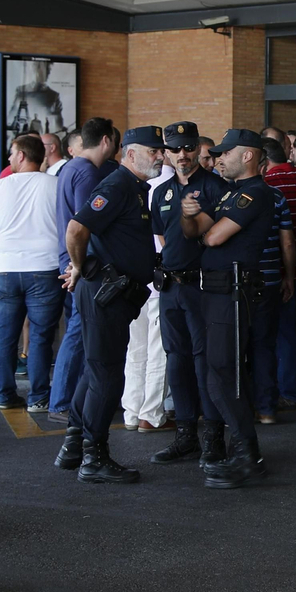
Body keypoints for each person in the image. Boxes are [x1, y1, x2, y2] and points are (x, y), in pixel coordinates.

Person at [57, 126, 166, 485]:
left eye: (159, 151)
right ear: (130, 153)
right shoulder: (117, 185)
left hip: (117, 293)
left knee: (96, 369)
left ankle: (75, 446)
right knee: (106, 374)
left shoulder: (133, 188)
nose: (160, 157)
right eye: (153, 151)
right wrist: (77, 265)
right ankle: (94, 456)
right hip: (107, 292)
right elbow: (77, 228)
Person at [179, 129, 284, 488]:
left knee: (226, 374)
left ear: (250, 156)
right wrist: (188, 213)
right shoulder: (231, 193)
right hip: (215, 292)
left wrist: (200, 225)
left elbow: (213, 236)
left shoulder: (255, 193)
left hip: (234, 293)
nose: (219, 159)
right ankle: (241, 448)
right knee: (216, 373)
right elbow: (194, 230)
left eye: (227, 153)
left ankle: (247, 455)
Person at [148, 122, 227, 466]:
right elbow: (163, 239)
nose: (183, 155)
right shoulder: (161, 192)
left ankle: (213, 438)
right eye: (176, 148)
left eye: (189, 147)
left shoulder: (216, 187)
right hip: (171, 287)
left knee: (205, 363)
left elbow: (206, 234)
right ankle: (185, 436)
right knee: (176, 361)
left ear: (198, 149)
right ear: (167, 152)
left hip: (203, 287)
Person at [0, 134, 61, 411]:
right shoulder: (56, 186)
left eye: (12, 153)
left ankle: (3, 395)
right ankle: (38, 397)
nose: (9, 159)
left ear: (22, 155)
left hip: (4, 270)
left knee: (4, 335)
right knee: (40, 336)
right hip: (45, 269)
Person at [49, 118, 118, 421]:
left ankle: (66, 399)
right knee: (79, 332)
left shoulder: (71, 167)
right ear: (106, 141)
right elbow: (85, 223)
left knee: (78, 330)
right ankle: (63, 402)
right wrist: (78, 265)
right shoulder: (87, 172)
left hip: (74, 260)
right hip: (83, 264)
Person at [121, 158, 172, 434]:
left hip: (134, 280)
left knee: (135, 349)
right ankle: (151, 414)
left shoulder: (129, 186)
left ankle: (131, 411)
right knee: (158, 351)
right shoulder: (170, 186)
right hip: (162, 280)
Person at [263, 134, 296, 409]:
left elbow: (283, 236)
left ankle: (283, 390)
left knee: (277, 334)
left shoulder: (268, 185)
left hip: (277, 268)